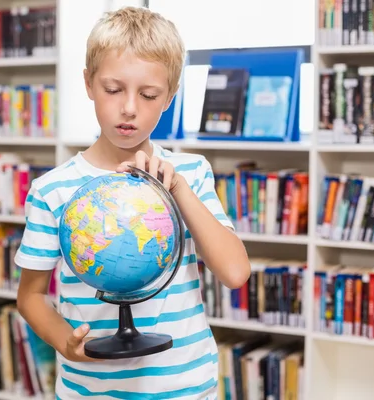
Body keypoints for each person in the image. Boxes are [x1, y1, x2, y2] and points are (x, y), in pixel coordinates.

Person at [14, 6, 251, 399]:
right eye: (112, 89)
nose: (128, 107)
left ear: (170, 97)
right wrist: (65, 341)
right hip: (91, 389)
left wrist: (176, 189)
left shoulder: (190, 172)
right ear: (88, 84)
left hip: (186, 387)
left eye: (148, 94)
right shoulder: (52, 190)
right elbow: (30, 295)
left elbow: (234, 272)